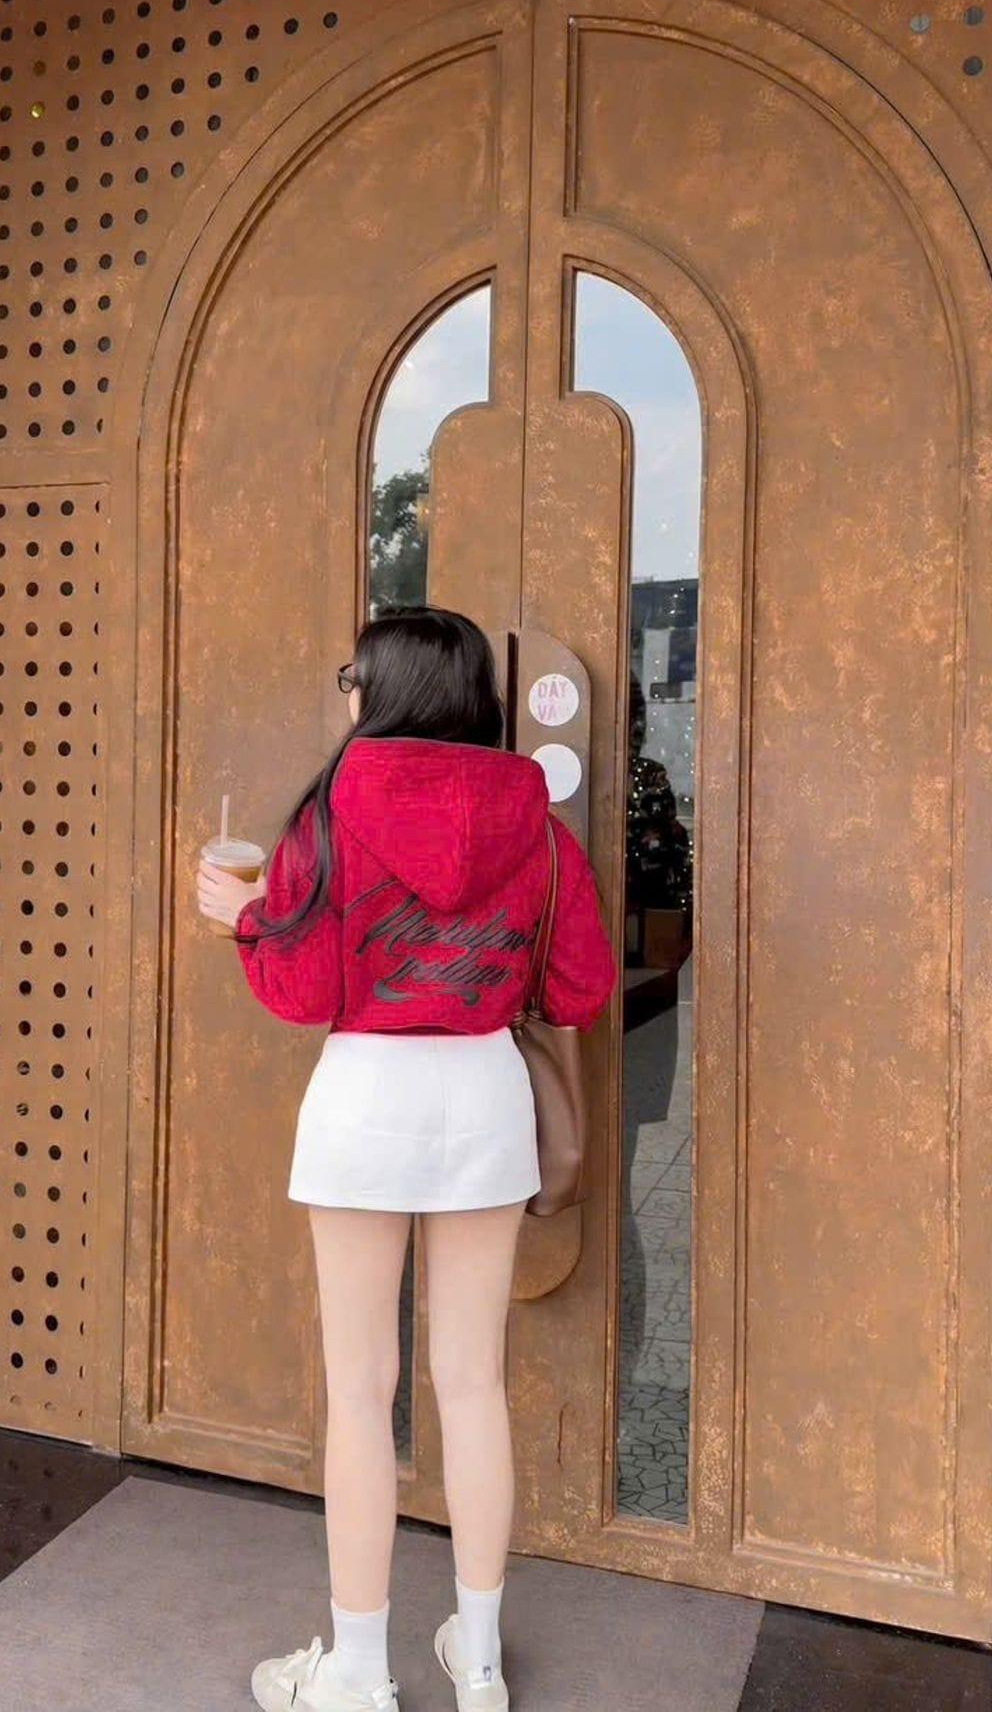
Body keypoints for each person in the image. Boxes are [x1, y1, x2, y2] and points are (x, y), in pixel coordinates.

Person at [196, 607, 616, 1712]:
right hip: (483, 1099)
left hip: (367, 1103)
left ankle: (358, 1670)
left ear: (380, 689)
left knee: (359, 1393)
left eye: (353, 673)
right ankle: (478, 1661)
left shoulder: (331, 810)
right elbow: (578, 987)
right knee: (472, 1383)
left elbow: (302, 990)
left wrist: (249, 919)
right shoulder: (536, 821)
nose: (344, 689)